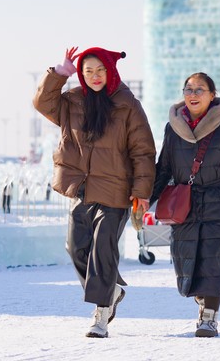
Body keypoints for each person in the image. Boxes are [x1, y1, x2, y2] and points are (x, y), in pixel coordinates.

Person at [33, 46, 156, 339]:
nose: (94, 77)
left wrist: (141, 191)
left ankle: (101, 315)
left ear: (110, 71)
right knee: (75, 248)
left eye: (100, 70)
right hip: (82, 189)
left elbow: (143, 151)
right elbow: (42, 102)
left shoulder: (128, 104)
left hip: (116, 191)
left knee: (103, 251)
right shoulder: (72, 102)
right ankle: (111, 291)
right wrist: (58, 74)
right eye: (87, 71)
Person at [150, 72, 220, 338]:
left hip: (219, 204)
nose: (193, 94)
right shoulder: (173, 128)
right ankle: (203, 300)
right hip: (184, 207)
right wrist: (144, 199)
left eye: (200, 90)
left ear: (213, 95)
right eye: (188, 89)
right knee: (187, 262)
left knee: (214, 262)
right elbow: (163, 169)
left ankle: (209, 317)